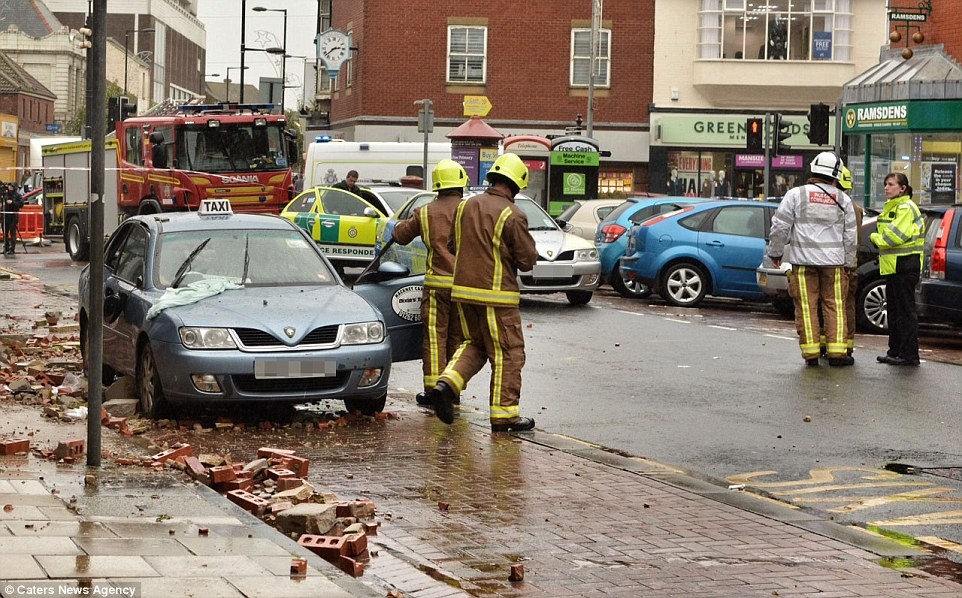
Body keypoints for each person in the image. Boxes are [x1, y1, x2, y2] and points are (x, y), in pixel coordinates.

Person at [427, 153, 539, 432]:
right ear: (515, 184)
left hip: (463, 294)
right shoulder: (513, 215)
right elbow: (527, 260)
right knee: (508, 353)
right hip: (498, 298)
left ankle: (447, 383)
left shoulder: (466, 207)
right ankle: (505, 416)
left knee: (474, 345)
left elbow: (453, 244)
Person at [766, 152, 857, 367]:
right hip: (834, 264)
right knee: (834, 306)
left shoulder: (796, 195)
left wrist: (776, 253)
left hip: (803, 262)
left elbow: (780, 227)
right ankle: (837, 354)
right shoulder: (843, 199)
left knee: (806, 307)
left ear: (813, 169)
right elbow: (850, 236)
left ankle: (811, 355)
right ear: (836, 174)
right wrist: (848, 264)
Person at [392, 159, 468, 406]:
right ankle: (451, 389)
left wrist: (395, 229)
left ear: (437, 183)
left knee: (435, 338)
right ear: (460, 182)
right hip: (464, 287)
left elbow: (401, 236)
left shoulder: (425, 212)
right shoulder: (469, 209)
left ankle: (433, 390)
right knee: (458, 338)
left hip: (436, 286)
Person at [872, 172, 924, 366]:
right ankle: (895, 351)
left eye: (891, 184)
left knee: (904, 312)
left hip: (905, 266)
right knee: (894, 311)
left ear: (903, 189)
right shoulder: (893, 207)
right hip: (895, 267)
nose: (886, 187)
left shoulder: (905, 207)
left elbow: (891, 238)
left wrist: (874, 238)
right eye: (885, 184)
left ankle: (908, 354)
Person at [838, 166, 863, 357]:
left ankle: (836, 345)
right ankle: (845, 346)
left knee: (836, 306)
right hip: (849, 265)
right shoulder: (855, 207)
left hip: (840, 265)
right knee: (846, 306)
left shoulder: (842, 206)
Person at [3, 182, 24, 255]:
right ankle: (6, 248)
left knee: (13, 233)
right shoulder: (6, 195)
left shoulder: (18, 195)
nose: (10, 188)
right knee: (5, 233)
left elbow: (21, 204)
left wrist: (12, 202)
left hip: (13, 216)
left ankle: (12, 249)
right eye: (9, 187)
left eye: (11, 187)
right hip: (6, 216)